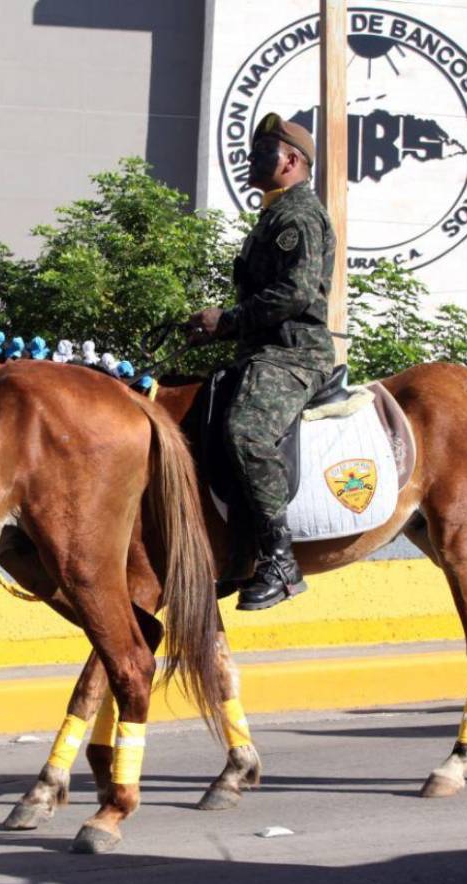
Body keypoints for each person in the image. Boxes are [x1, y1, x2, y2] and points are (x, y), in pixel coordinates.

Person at [184, 112, 337, 611]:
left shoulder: (299, 215)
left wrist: (225, 322)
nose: (252, 159)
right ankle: (236, 552)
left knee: (245, 430)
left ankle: (279, 561)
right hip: (262, 351)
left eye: (263, 151)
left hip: (295, 355)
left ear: (291, 160)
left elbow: (294, 294)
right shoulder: (275, 213)